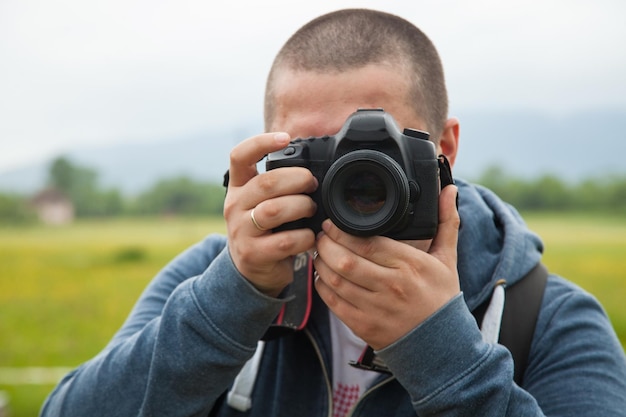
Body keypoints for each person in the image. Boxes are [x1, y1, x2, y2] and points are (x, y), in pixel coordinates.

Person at [40, 8, 626, 417]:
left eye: (375, 152)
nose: (353, 182)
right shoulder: (219, 278)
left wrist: (440, 349)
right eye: (316, 154)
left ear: (444, 149)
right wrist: (235, 299)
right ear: (272, 153)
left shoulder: (543, 318)